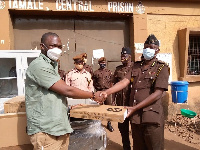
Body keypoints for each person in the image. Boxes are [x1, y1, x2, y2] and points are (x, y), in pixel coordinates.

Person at [25, 32, 103, 150]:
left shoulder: (52, 66)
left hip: (59, 127)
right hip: (46, 131)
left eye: (60, 47)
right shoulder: (39, 65)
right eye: (53, 46)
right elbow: (67, 90)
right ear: (42, 46)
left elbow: (53, 96)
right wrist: (93, 95)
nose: (57, 50)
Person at [101, 34, 169, 150]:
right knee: (138, 146)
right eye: (146, 47)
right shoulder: (136, 66)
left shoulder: (161, 68)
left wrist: (135, 108)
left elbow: (158, 93)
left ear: (157, 50)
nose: (149, 49)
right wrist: (107, 92)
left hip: (151, 116)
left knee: (153, 147)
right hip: (136, 118)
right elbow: (123, 82)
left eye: (152, 47)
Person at [113, 47, 133, 150]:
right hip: (121, 103)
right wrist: (112, 101)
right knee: (122, 128)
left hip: (133, 104)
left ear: (130, 56)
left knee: (135, 128)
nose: (122, 57)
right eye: (121, 55)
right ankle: (127, 148)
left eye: (124, 56)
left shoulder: (135, 68)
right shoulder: (118, 69)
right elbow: (114, 85)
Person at [92, 57, 114, 132]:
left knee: (108, 108)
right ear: (99, 64)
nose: (103, 64)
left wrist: (110, 91)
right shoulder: (96, 72)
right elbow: (93, 82)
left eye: (104, 63)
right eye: (101, 63)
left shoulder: (109, 72)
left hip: (107, 92)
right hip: (99, 92)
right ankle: (98, 124)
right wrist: (97, 90)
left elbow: (111, 82)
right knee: (99, 108)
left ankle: (109, 123)